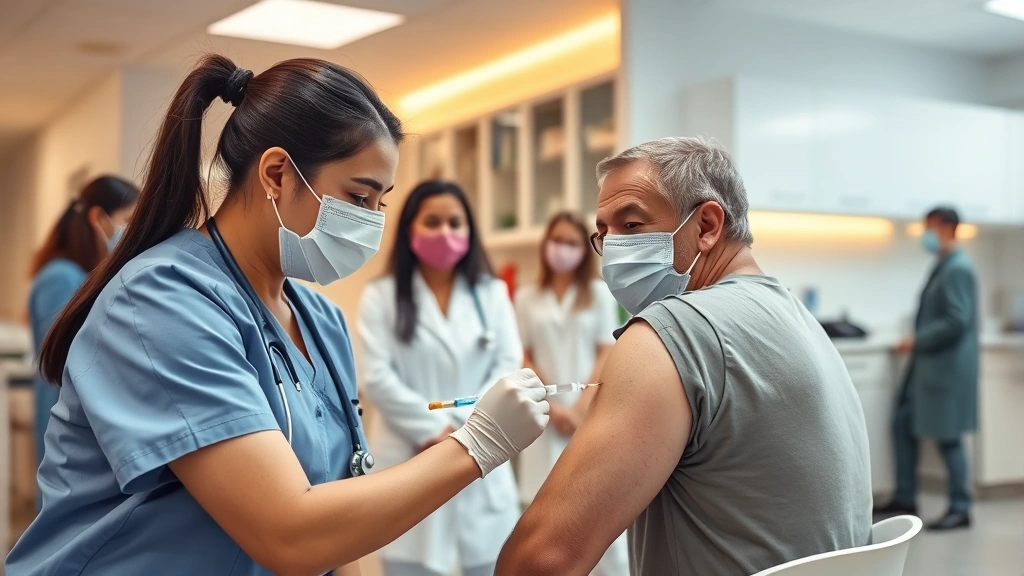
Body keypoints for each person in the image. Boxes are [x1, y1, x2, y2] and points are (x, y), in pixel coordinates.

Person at [5, 55, 549, 576]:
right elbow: (290, 533)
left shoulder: (320, 321)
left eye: (380, 203)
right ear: (277, 174)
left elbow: (339, 522)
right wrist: (476, 444)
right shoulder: (162, 302)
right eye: (358, 198)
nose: (371, 222)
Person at [496, 137, 872, 575]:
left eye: (631, 226)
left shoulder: (671, 333)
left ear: (708, 225)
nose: (613, 249)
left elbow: (539, 562)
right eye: (603, 234)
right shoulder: (800, 319)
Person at [358, 180, 523, 576]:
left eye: (455, 222)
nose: (445, 233)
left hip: (480, 452)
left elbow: (507, 366)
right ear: (410, 229)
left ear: (470, 231)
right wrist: (434, 428)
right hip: (410, 454)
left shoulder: (493, 293)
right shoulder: (381, 296)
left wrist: (465, 430)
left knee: (488, 562)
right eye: (432, 222)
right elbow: (377, 376)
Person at [512, 211, 628, 576]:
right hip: (544, 413)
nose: (562, 249)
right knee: (543, 515)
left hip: (588, 412)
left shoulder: (595, 293)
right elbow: (524, 352)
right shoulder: (528, 297)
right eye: (556, 240)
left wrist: (579, 408)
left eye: (572, 243)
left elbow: (604, 351)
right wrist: (553, 404)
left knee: (592, 510)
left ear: (585, 250)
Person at [27, 175, 138, 510]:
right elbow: (65, 355)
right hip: (63, 414)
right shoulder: (60, 277)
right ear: (98, 219)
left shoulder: (82, 276)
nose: (130, 232)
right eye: (128, 221)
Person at [875, 207, 978, 531]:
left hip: (945, 366)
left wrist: (919, 340)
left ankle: (961, 507)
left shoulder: (959, 269)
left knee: (948, 438)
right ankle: (906, 496)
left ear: (948, 228)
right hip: (926, 366)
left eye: (930, 228)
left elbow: (956, 320)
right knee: (903, 423)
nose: (926, 235)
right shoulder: (943, 265)